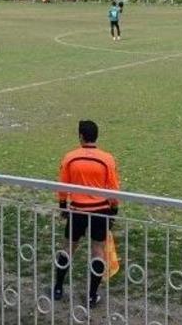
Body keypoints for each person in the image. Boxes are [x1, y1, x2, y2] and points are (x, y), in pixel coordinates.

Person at [53, 120, 120, 308]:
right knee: (98, 250)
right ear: (96, 136)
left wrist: (62, 204)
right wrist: (114, 208)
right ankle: (91, 296)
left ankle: (58, 288)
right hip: (100, 210)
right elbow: (113, 188)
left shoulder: (70, 157)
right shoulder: (107, 158)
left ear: (81, 136)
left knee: (68, 248)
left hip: (77, 210)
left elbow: (62, 184)